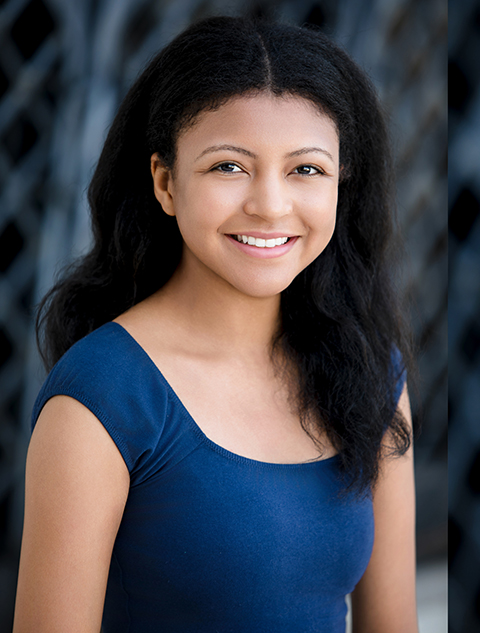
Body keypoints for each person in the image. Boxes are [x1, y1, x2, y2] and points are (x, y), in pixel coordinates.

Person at [14, 16, 417, 633]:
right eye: (229, 166)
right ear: (165, 182)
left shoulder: (371, 368)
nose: (270, 205)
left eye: (305, 169)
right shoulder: (101, 399)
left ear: (342, 182)